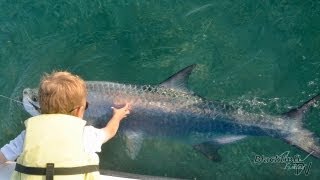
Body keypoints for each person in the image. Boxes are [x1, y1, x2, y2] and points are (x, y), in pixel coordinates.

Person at [0, 71, 130, 179]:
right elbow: (109, 131)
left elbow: (3, 155)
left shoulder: (28, 135)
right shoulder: (86, 134)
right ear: (80, 110)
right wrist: (118, 116)